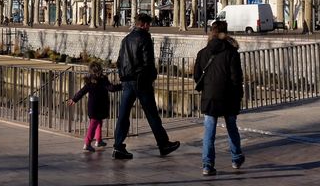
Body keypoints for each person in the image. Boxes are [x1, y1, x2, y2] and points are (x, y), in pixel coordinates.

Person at [113, 13, 180, 159]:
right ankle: (163, 144)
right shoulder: (144, 38)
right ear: (143, 24)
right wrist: (152, 76)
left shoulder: (126, 39)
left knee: (123, 115)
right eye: (148, 24)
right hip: (141, 82)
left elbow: (119, 61)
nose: (149, 27)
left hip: (127, 82)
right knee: (152, 114)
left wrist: (123, 77)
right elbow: (148, 63)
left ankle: (118, 146)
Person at [194, 21, 245, 176]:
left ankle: (207, 164)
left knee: (209, 131)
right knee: (231, 128)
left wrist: (207, 87)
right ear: (226, 33)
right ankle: (236, 158)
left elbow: (197, 76)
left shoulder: (203, 53)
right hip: (228, 96)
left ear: (212, 32)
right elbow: (236, 78)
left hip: (210, 97)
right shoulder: (231, 53)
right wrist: (239, 95)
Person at [67, 61, 122, 152]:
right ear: (100, 70)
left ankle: (98, 140)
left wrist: (74, 99)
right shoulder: (103, 80)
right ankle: (87, 143)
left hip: (93, 107)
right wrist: (122, 86)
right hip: (99, 106)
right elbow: (111, 88)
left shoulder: (89, 82)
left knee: (98, 123)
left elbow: (82, 91)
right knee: (93, 125)